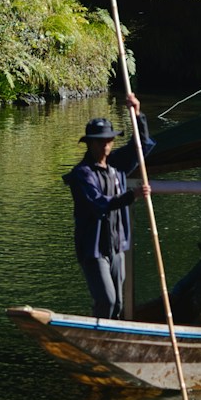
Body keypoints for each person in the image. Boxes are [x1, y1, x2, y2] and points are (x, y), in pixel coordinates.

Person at [61, 94, 147, 319]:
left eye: (109, 141)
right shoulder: (82, 174)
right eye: (100, 142)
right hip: (93, 249)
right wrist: (131, 196)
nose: (106, 146)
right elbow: (98, 203)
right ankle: (95, 339)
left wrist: (137, 115)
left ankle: (111, 343)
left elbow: (141, 146)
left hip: (116, 246)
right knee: (106, 300)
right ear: (89, 143)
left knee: (118, 304)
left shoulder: (116, 166)